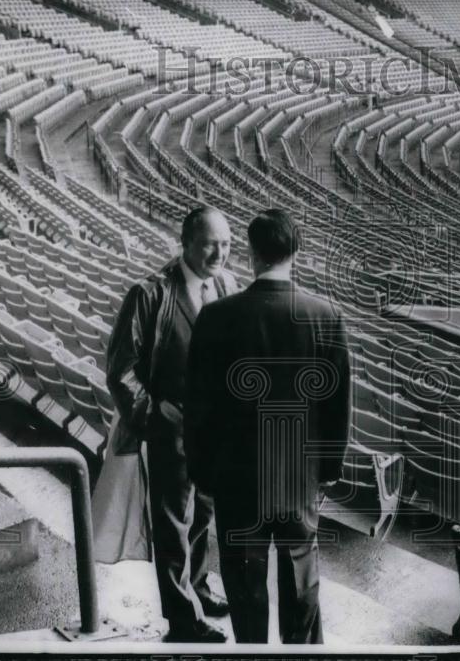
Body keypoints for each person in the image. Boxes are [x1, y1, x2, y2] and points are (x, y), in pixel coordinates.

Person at [185, 208, 351, 644]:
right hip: (298, 479)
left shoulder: (216, 317)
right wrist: (329, 471)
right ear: (295, 252)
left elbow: (197, 407)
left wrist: (202, 474)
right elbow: (337, 408)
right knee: (301, 584)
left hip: (236, 479)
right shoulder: (325, 315)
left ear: (252, 253)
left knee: (244, 586)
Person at [105, 206, 239, 643]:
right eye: (209, 243)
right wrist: (155, 418)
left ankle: (198, 586)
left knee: (202, 516)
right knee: (172, 524)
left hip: (213, 432)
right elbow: (121, 371)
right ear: (185, 243)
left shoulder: (226, 284)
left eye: (227, 244)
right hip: (171, 428)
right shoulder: (149, 293)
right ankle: (183, 619)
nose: (220, 252)